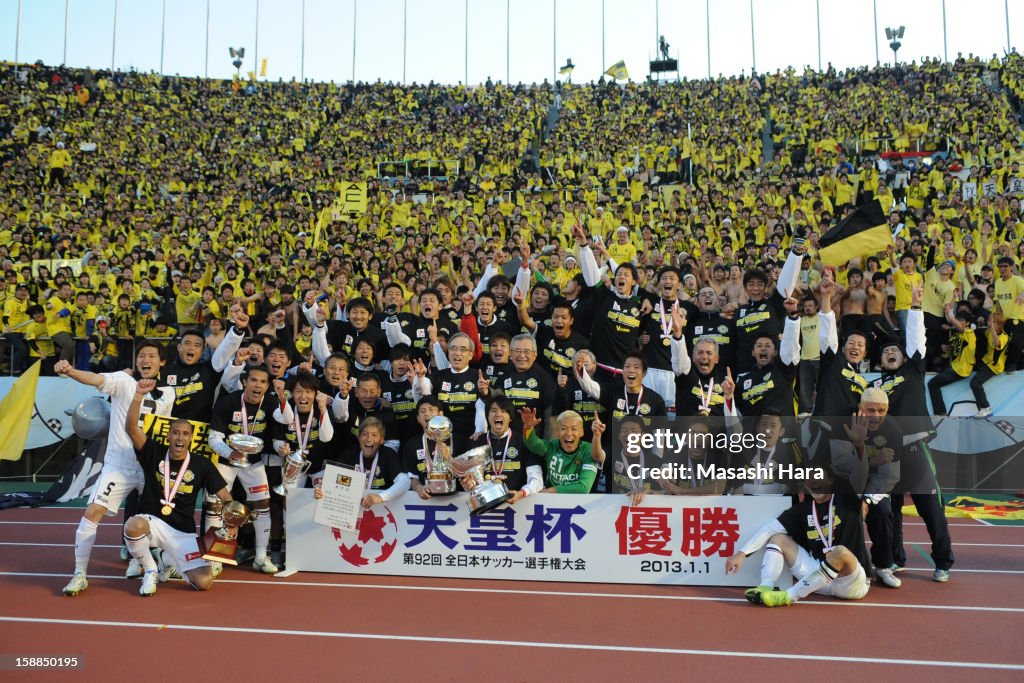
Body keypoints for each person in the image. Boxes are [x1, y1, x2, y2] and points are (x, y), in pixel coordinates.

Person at [57, 343, 176, 595]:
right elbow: (95, 378)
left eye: (152, 356)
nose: (145, 359)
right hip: (118, 464)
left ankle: (150, 563)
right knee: (92, 512)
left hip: (148, 466)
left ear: (161, 363)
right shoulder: (123, 380)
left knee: (158, 519)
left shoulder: (169, 394)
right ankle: (79, 573)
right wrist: (71, 371)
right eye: (141, 355)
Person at [120, 378, 232, 595]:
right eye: (176, 432)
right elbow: (131, 427)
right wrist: (138, 396)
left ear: (191, 438)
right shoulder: (153, 451)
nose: (180, 437)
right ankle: (151, 570)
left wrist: (234, 518)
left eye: (185, 434)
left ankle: (164, 557)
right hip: (152, 523)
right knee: (133, 526)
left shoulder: (202, 464)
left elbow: (225, 495)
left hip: (183, 532)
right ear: (169, 435)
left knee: (204, 582)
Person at [725, 467, 872, 607]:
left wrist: (867, 500)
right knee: (778, 538)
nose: (813, 480)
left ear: (831, 480)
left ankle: (788, 596)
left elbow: (862, 472)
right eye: (808, 478)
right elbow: (769, 528)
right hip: (817, 577)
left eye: (818, 476)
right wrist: (741, 553)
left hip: (849, 582)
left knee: (840, 552)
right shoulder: (803, 510)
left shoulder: (848, 501)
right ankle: (765, 587)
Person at [206, 364, 279, 574]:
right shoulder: (228, 402)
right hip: (226, 462)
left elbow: (286, 420)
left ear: (267, 385)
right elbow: (214, 438)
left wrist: (283, 399)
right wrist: (230, 453)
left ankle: (261, 557)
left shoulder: (271, 402)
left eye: (263, 382)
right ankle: (214, 557)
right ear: (245, 381)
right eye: (254, 380)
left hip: (253, 463)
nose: (258, 385)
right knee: (214, 505)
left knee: (263, 503)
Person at [520, 407, 603, 493]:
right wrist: (528, 427)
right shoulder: (552, 446)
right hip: (552, 502)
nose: (568, 433)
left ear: (582, 432)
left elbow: (583, 488)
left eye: (574, 429)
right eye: (563, 428)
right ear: (557, 432)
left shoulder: (588, 450)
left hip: (581, 503)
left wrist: (548, 491)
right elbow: (533, 444)